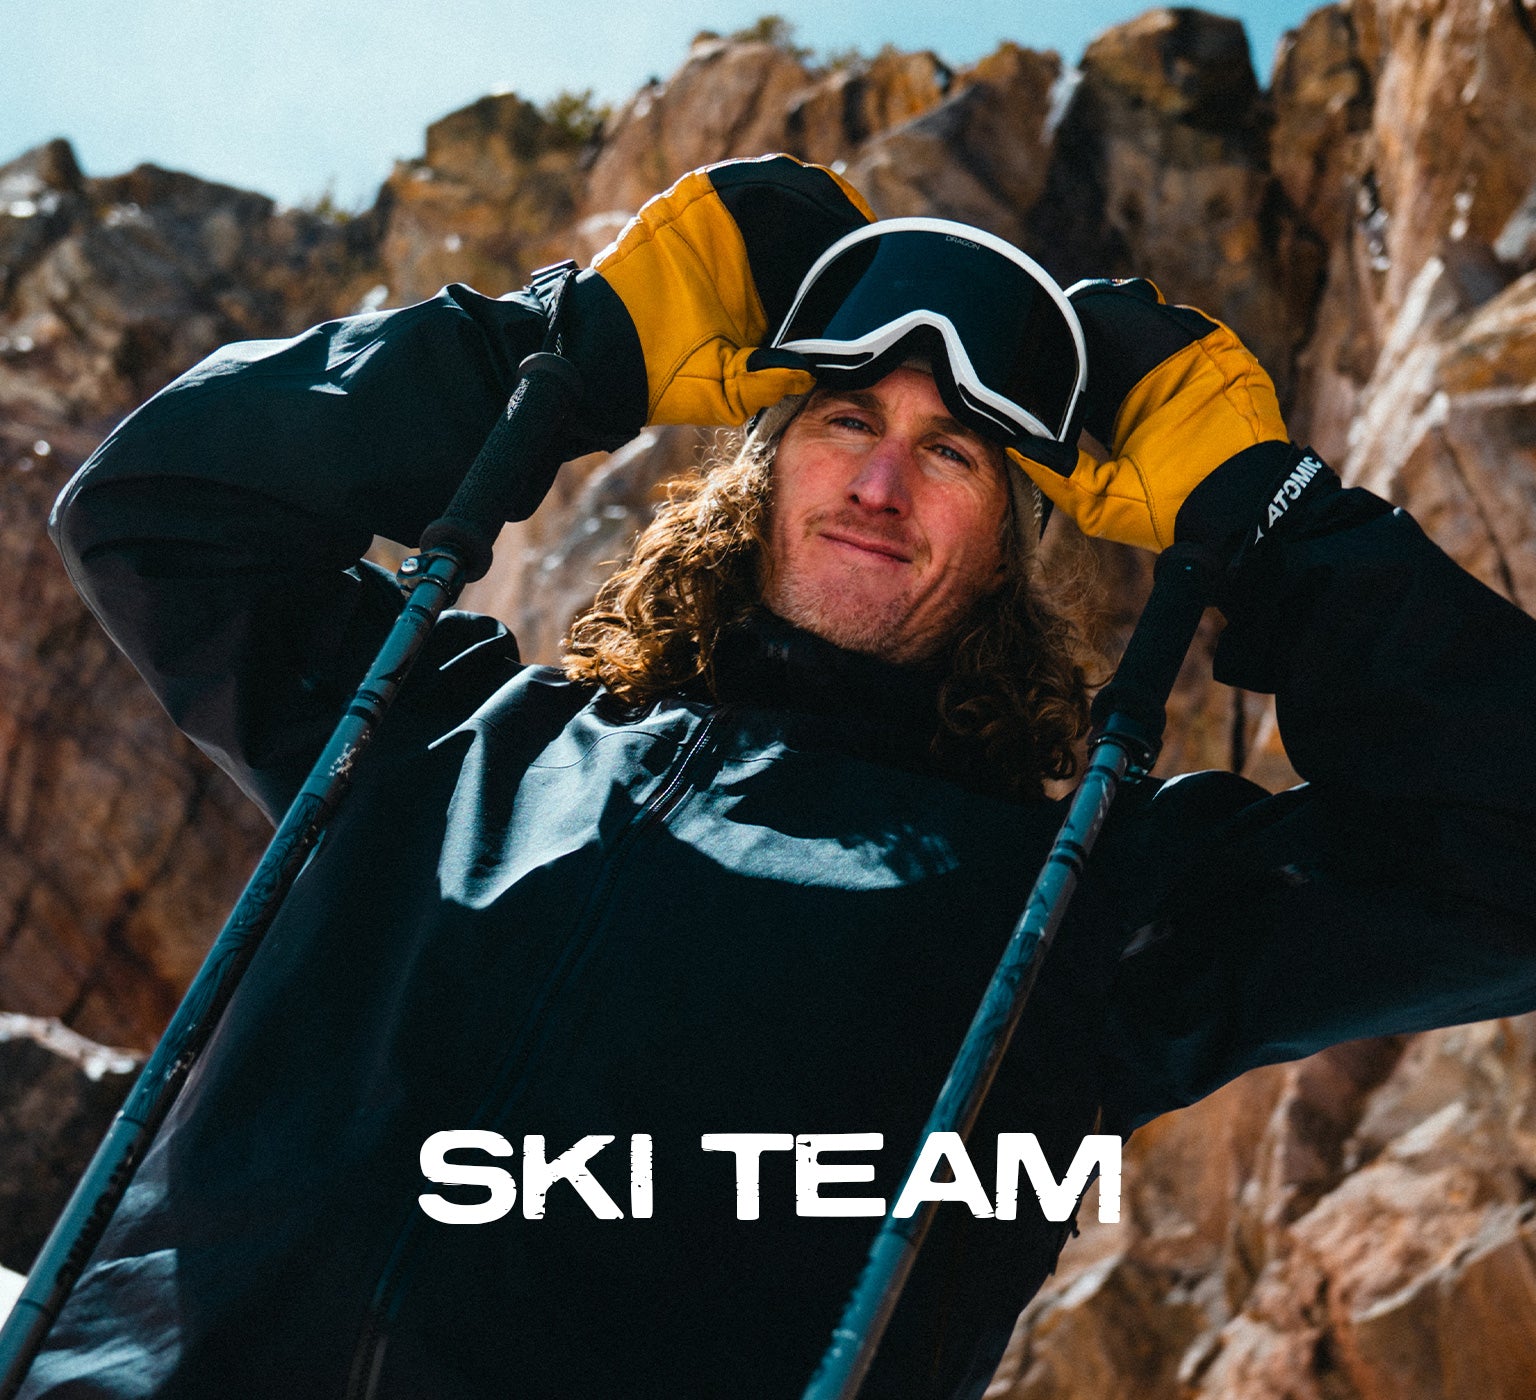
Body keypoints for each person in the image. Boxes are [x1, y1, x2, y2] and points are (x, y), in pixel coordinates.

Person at [23, 155, 1536, 1399]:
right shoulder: (451, 737)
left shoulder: (1080, 914)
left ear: (1014, 548)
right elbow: (158, 508)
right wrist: (564, 348)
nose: (879, 484)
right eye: (846, 421)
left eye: (953, 456)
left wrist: (1275, 524)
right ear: (761, 468)